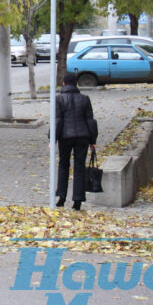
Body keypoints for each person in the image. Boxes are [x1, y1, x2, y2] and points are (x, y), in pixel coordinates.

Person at [55, 72, 98, 210]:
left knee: (63, 165)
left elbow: (58, 120)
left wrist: (53, 138)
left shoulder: (59, 99)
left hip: (65, 137)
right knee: (79, 167)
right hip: (83, 137)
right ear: (76, 84)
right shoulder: (85, 99)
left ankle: (61, 197)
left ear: (64, 83)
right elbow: (90, 120)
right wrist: (93, 139)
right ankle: (78, 200)